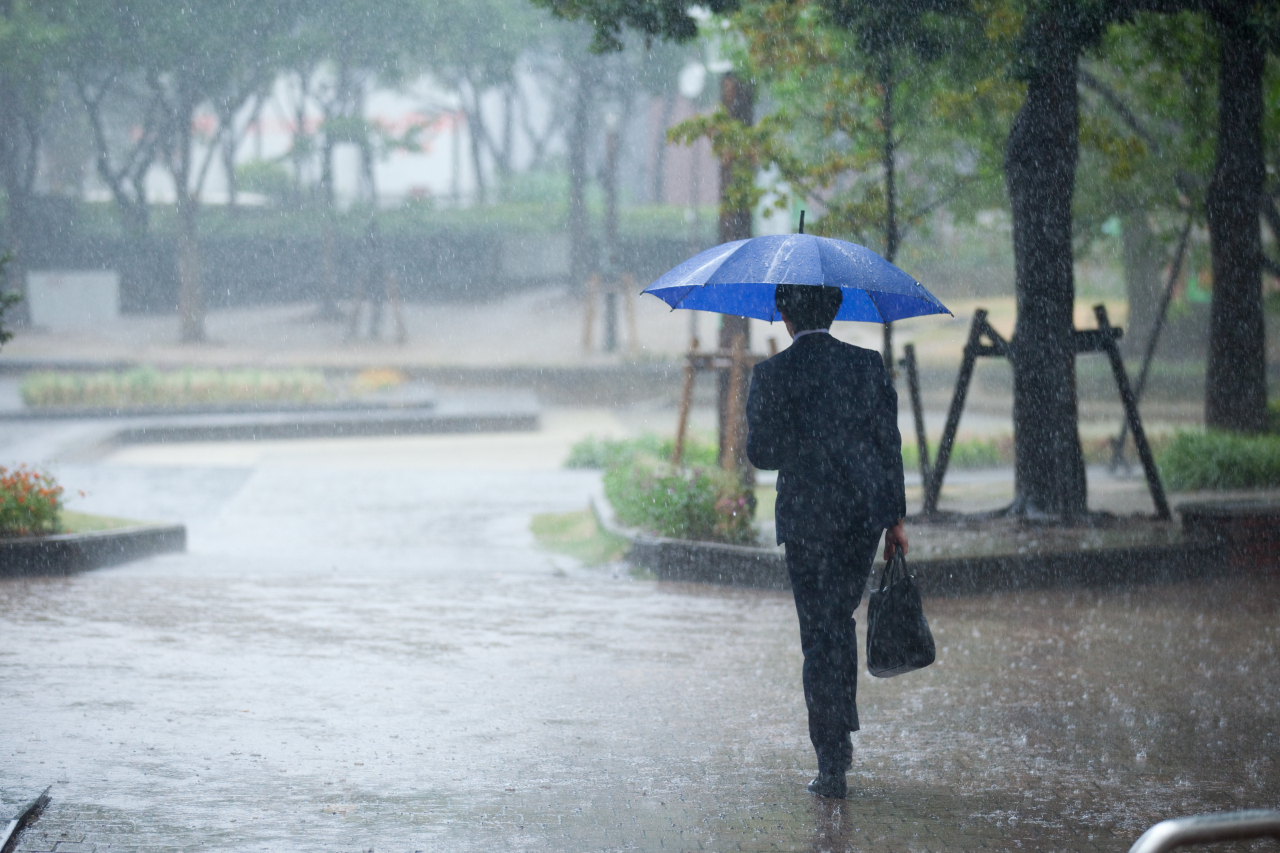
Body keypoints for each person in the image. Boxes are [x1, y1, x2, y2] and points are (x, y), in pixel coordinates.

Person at [745, 283, 908, 800]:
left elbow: (761, 454)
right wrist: (894, 520)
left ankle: (831, 757)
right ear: (836, 309)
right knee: (839, 621)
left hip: (807, 521)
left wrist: (798, 430)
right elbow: (889, 445)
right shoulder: (866, 365)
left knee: (820, 633)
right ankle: (839, 741)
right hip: (860, 518)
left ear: (785, 315)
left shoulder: (771, 375)